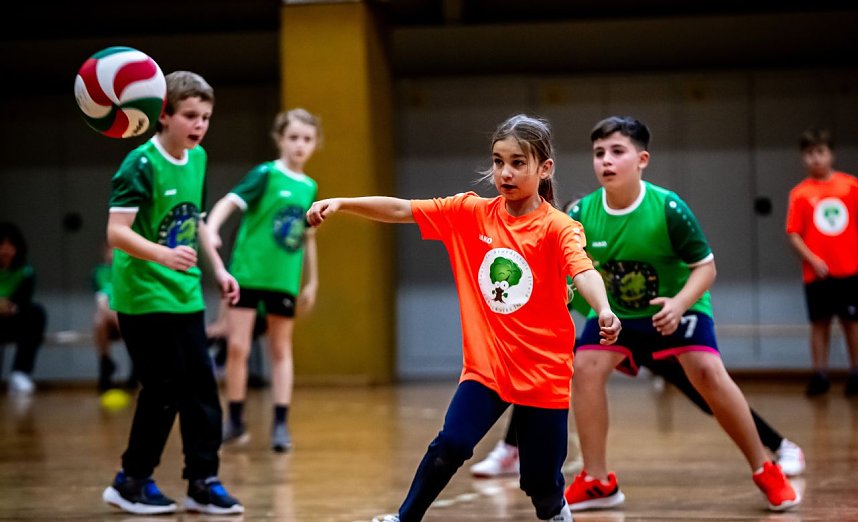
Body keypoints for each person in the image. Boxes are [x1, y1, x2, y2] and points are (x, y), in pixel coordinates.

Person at [307, 114, 621, 522]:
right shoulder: (470, 213)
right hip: (487, 368)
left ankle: (555, 510)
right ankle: (404, 519)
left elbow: (583, 271)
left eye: (518, 163)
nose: (505, 172)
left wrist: (604, 309)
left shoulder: (558, 228)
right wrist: (344, 203)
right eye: (498, 161)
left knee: (540, 484)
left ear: (545, 168)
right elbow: (402, 209)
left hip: (543, 371)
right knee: (450, 444)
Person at [559, 116, 800, 512]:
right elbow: (578, 273)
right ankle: (598, 480)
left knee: (707, 374)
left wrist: (679, 304)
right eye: (599, 153)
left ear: (642, 159)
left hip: (676, 306)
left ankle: (766, 468)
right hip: (619, 315)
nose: (606, 161)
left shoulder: (669, 208)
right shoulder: (583, 213)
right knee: (584, 367)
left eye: (617, 152)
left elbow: (706, 269)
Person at [100, 71, 243, 516]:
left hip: (184, 294)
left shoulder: (196, 158)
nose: (198, 125)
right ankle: (131, 481)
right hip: (143, 294)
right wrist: (162, 256)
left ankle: (203, 481)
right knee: (163, 389)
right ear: (163, 115)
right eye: (189, 116)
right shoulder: (139, 164)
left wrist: (219, 269)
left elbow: (195, 219)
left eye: (205, 117)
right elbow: (116, 233)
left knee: (201, 390)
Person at [471, 304, 806, 479]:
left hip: (648, 333)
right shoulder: (572, 260)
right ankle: (510, 450)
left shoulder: (618, 251)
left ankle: (781, 445)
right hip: (605, 342)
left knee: (708, 393)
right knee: (548, 367)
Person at [206, 108, 321, 452]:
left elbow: (308, 236)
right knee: (237, 347)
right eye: (294, 138)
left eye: (307, 139)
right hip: (248, 274)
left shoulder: (309, 186)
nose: (300, 145)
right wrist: (212, 228)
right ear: (280, 140)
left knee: (280, 349)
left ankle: (281, 424)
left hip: (283, 279)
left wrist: (312, 281)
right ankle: (236, 420)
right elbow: (230, 201)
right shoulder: (265, 174)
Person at [786, 128, 858, 397]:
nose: (815, 158)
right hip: (817, 275)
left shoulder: (851, 187)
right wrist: (812, 259)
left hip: (850, 269)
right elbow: (793, 233)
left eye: (820, 152)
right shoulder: (800, 194)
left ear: (831, 154)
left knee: (852, 323)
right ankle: (820, 374)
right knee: (819, 324)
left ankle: (855, 373)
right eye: (809, 153)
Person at [0, 222, 46, 396]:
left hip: (13, 322)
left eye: (10, 245)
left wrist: (9, 307)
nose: (5, 250)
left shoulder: (25, 272)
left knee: (36, 313)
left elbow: (22, 302)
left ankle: (20, 373)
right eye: (1, 244)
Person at [92, 243, 137, 393]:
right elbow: (102, 298)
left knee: (114, 314)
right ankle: (105, 363)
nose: (113, 253)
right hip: (111, 320)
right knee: (100, 319)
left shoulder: (131, 270)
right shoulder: (100, 272)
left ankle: (135, 362)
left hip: (132, 315)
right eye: (110, 248)